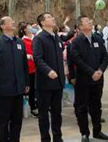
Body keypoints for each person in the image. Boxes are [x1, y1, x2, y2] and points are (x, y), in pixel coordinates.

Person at [0, 17, 29, 142]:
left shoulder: (19, 43)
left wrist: (26, 82)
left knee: (17, 120)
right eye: (10, 21)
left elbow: (24, 65)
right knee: (4, 120)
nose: (14, 21)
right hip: (3, 89)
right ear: (3, 26)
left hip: (19, 88)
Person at [69, 16, 108, 141]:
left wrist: (100, 70)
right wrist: (91, 72)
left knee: (96, 106)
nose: (91, 22)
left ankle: (97, 131)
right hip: (83, 80)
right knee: (82, 107)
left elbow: (105, 57)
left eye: (91, 20)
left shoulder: (98, 39)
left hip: (98, 80)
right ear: (80, 27)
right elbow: (77, 60)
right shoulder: (76, 42)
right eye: (87, 21)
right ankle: (84, 133)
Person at [32, 13, 65, 142]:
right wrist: (48, 71)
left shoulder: (56, 37)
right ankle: (45, 139)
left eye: (53, 16)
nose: (53, 18)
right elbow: (37, 58)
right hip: (45, 83)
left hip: (58, 82)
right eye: (50, 17)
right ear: (42, 22)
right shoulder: (39, 38)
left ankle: (58, 137)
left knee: (57, 113)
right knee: (44, 114)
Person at [19, 21, 38, 117]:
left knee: (38, 87)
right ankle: (33, 107)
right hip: (30, 67)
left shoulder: (36, 38)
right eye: (29, 26)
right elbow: (21, 54)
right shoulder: (23, 40)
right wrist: (29, 56)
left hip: (38, 67)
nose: (31, 27)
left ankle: (38, 105)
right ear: (25, 30)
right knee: (31, 88)